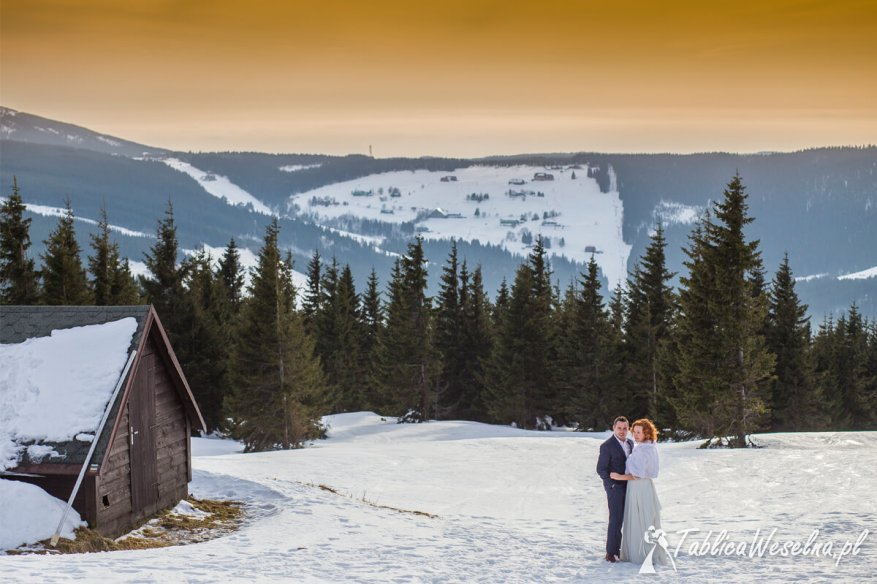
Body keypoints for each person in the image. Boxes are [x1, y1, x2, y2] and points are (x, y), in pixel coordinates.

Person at [610, 418, 669, 567]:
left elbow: (637, 474)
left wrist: (618, 477)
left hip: (639, 487)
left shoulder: (644, 450)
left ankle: (641, 554)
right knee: (641, 520)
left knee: (640, 520)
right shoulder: (645, 446)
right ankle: (641, 551)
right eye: (634, 432)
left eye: (639, 432)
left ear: (646, 433)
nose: (635, 435)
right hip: (640, 487)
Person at [596, 416, 634, 563]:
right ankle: (611, 553)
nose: (622, 431)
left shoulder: (630, 443)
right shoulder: (607, 446)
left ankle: (624, 550)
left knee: (629, 520)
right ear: (614, 428)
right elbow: (601, 469)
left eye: (625, 428)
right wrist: (611, 483)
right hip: (615, 488)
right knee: (616, 520)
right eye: (619, 428)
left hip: (630, 486)